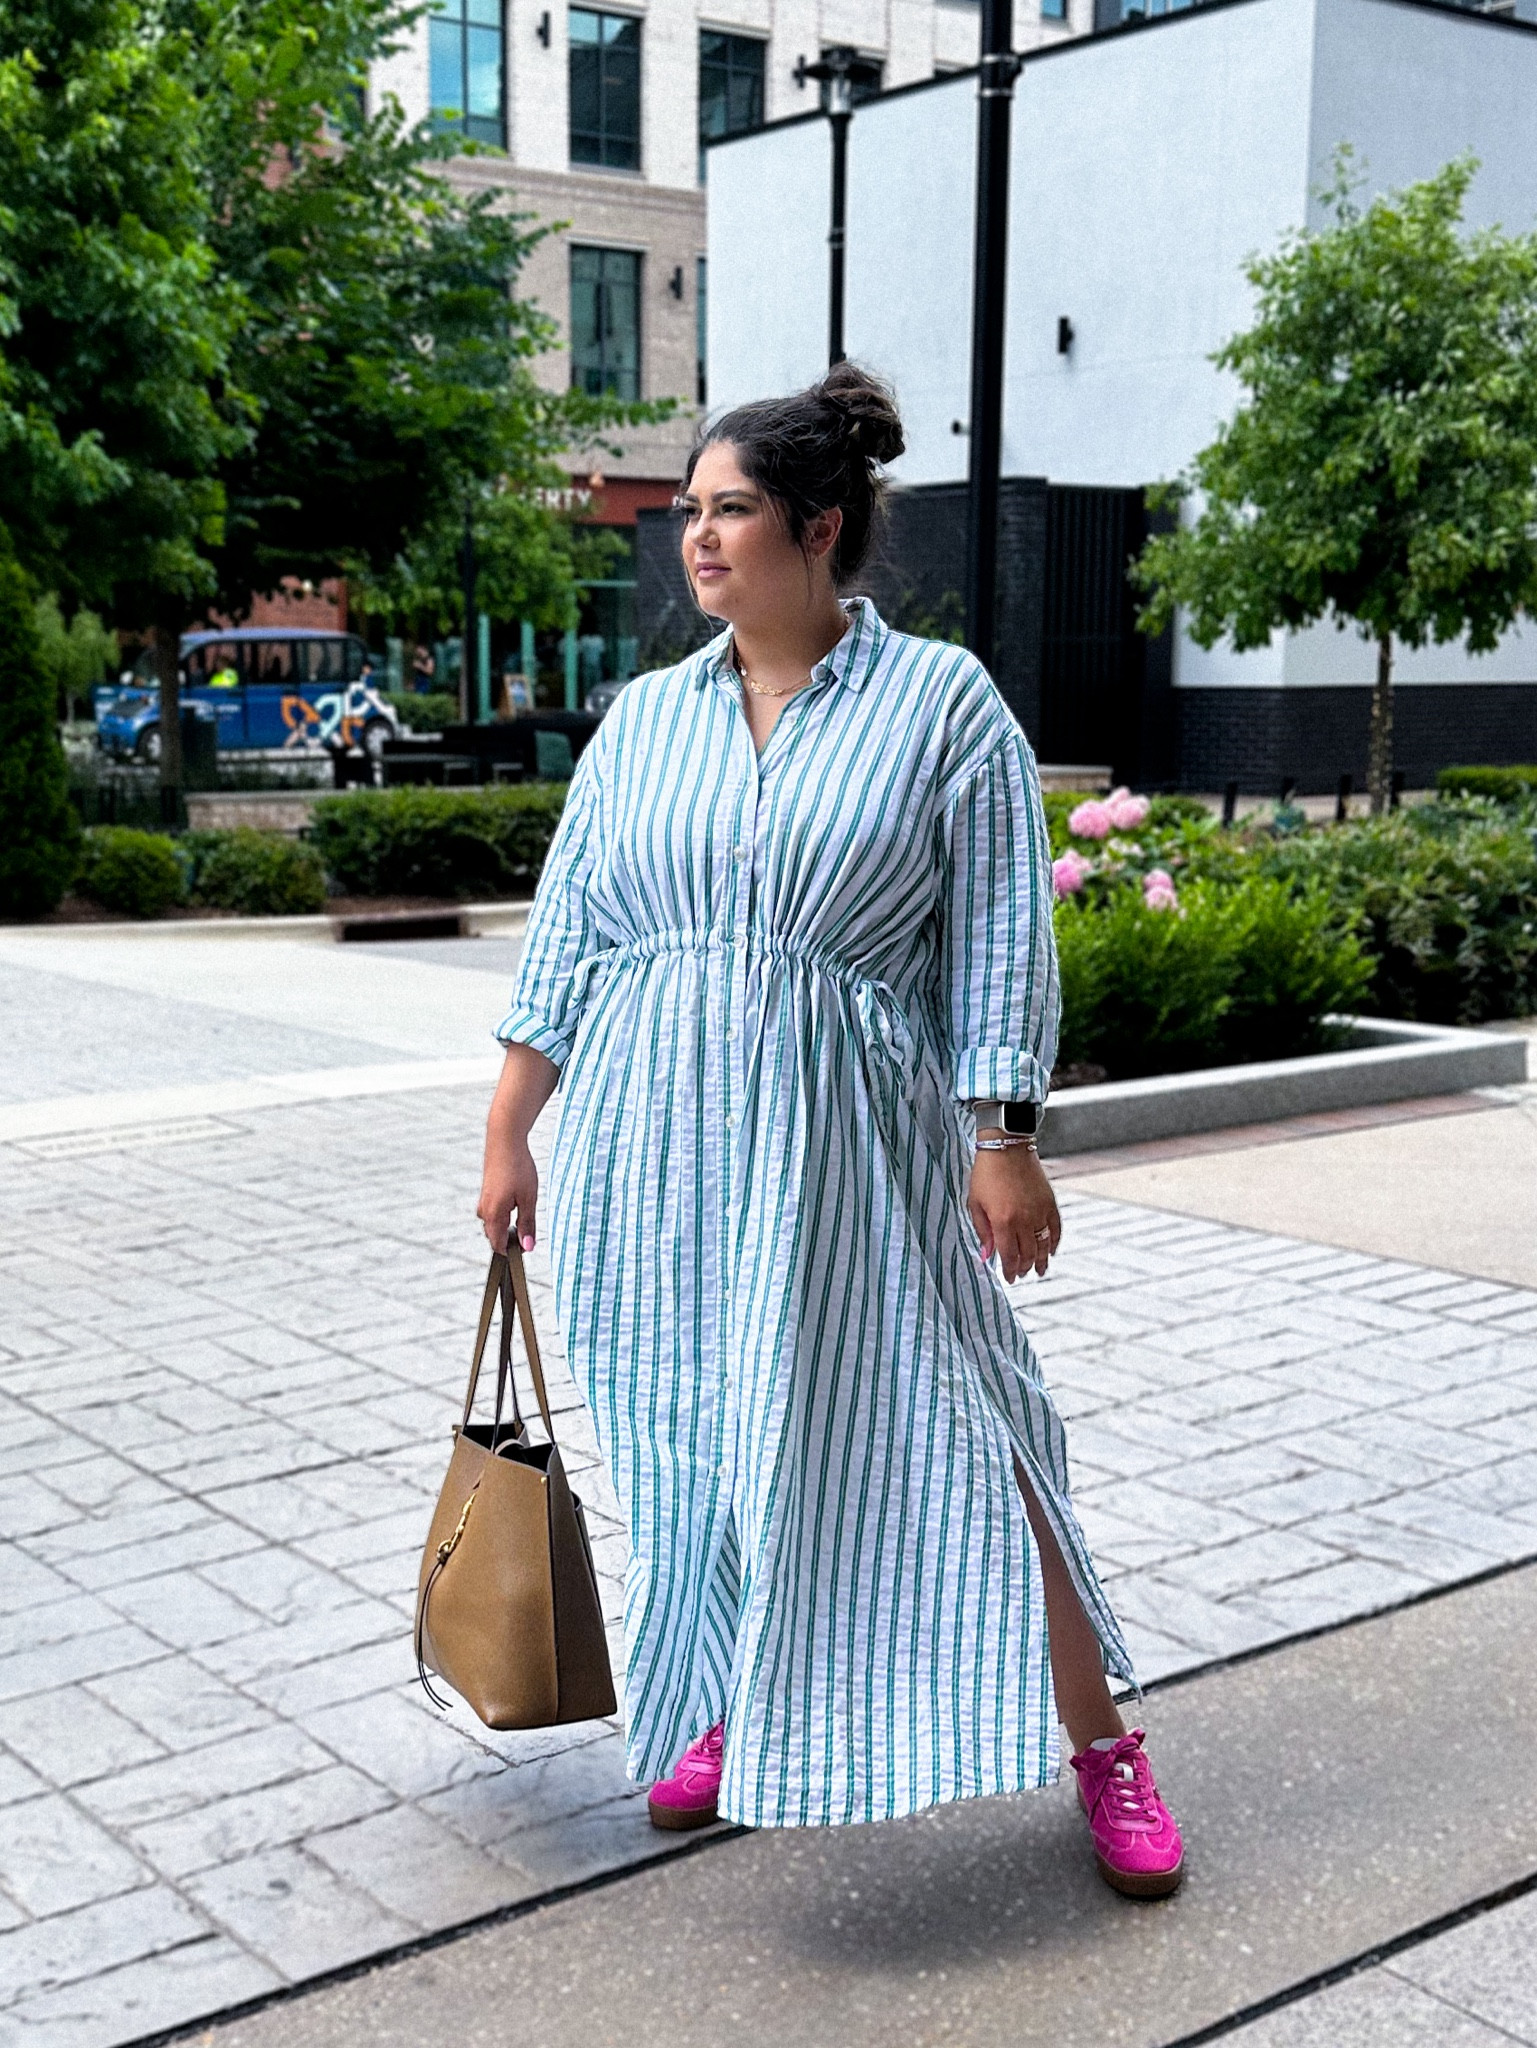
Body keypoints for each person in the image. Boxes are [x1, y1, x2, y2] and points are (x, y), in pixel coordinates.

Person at [477, 365, 1183, 1898]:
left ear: (821, 524)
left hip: (853, 1153)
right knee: (698, 1444)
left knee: (971, 1432)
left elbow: (1003, 931)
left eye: (729, 511)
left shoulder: (940, 708)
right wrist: (510, 1126)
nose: (698, 540)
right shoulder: (646, 720)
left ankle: (1103, 1747)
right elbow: (573, 932)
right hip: (657, 1154)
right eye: (690, 513)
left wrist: (1001, 1132)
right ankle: (732, 1704)